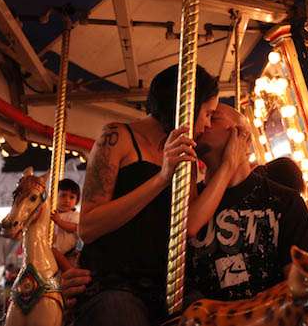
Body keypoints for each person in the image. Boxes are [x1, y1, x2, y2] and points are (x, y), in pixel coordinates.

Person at [74, 65, 245, 326]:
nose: (207, 124)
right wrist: (162, 178)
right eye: (207, 113)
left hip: (164, 282)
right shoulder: (117, 137)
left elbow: (190, 225)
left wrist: (228, 167)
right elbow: (87, 226)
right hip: (114, 281)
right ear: (187, 104)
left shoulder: (186, 156)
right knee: (121, 314)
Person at [187, 104, 308, 302]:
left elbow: (303, 285)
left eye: (213, 117)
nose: (202, 124)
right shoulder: (189, 205)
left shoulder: (285, 202)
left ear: (243, 135)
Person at [51, 178, 81, 272]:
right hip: (54, 252)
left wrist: (59, 221)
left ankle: (71, 271)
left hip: (68, 253)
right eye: (63, 195)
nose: (67, 200)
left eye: (72, 197)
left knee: (52, 250)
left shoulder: (75, 215)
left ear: (76, 201)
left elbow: (74, 228)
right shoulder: (51, 214)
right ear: (55, 196)